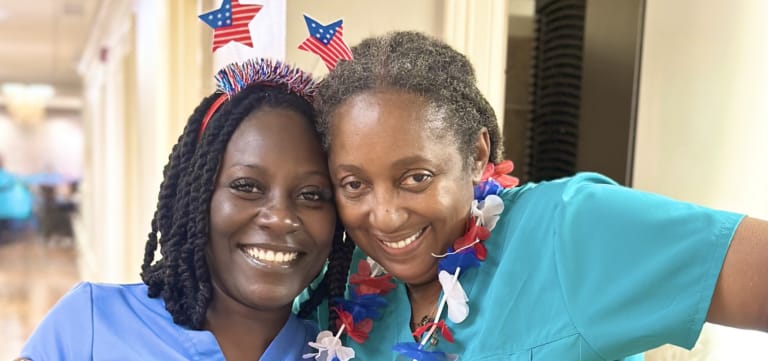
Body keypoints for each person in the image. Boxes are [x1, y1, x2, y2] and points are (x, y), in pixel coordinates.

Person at [309, 31, 768, 361]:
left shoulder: (568, 231)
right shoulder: (342, 286)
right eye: (354, 185)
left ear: (476, 155)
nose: (385, 217)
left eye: (416, 177)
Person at [17, 59, 354, 361]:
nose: (280, 218)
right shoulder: (89, 325)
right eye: (247, 187)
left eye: (312, 194)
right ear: (193, 197)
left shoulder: (334, 351)